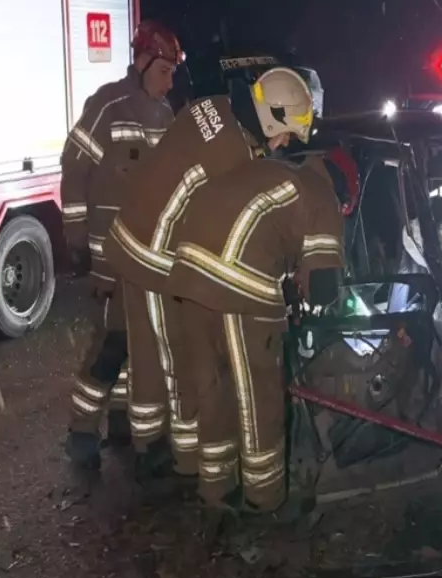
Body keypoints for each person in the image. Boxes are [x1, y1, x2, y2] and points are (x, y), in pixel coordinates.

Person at [104, 66, 320, 477]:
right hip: (155, 255)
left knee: (148, 351)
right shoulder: (233, 156)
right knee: (178, 357)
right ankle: (179, 463)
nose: (284, 143)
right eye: (286, 133)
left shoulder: (215, 106)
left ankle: (149, 444)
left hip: (132, 231)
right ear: (270, 117)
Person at [164, 101, 357, 513]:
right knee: (259, 397)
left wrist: (290, 280)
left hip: (185, 276)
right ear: (344, 192)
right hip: (238, 286)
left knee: (213, 389)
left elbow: (265, 236)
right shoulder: (322, 194)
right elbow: (323, 289)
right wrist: (313, 302)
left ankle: (216, 490)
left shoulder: (276, 173)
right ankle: (264, 500)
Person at [63, 20, 183, 469]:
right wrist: (75, 237)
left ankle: (119, 423)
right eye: (164, 71)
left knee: (138, 344)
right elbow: (74, 165)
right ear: (143, 62)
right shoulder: (107, 106)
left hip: (145, 257)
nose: (169, 82)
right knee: (111, 344)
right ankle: (81, 431)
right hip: (108, 258)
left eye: (173, 73)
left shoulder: (166, 115)